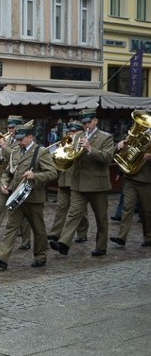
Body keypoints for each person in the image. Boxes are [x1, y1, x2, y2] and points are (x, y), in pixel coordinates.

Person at [0, 123, 58, 270]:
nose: (18, 142)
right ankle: (1, 257)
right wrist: (4, 183)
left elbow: (52, 173)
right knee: (11, 227)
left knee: (38, 228)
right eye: (17, 139)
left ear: (30, 137)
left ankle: (40, 256)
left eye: (21, 139)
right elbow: (7, 171)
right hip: (16, 195)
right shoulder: (15, 151)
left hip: (33, 197)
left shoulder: (40, 152)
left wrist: (35, 175)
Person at [51, 108, 114, 257]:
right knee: (73, 214)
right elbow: (71, 155)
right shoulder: (78, 135)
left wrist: (90, 149)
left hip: (97, 185)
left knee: (101, 218)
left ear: (95, 121)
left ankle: (101, 246)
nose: (87, 125)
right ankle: (64, 244)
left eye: (89, 122)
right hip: (78, 183)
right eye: (84, 123)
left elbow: (107, 158)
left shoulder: (106, 137)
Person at [0, 116, 30, 250]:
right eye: (9, 127)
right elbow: (0, 160)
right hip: (3, 178)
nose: (10, 130)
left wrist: (4, 146)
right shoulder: (6, 139)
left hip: (18, 180)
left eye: (13, 127)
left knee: (22, 212)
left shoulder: (25, 141)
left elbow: (18, 158)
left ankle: (26, 240)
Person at [110, 116, 151, 248]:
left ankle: (148, 237)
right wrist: (122, 146)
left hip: (146, 180)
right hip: (131, 179)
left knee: (147, 211)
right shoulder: (136, 135)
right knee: (127, 208)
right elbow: (127, 153)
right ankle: (121, 237)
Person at [48, 121, 89, 243]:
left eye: (74, 131)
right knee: (61, 207)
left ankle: (82, 233)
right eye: (70, 131)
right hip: (64, 179)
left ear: (80, 132)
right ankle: (55, 233)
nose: (71, 134)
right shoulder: (65, 143)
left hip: (77, 180)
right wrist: (59, 149)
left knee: (79, 210)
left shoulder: (83, 143)